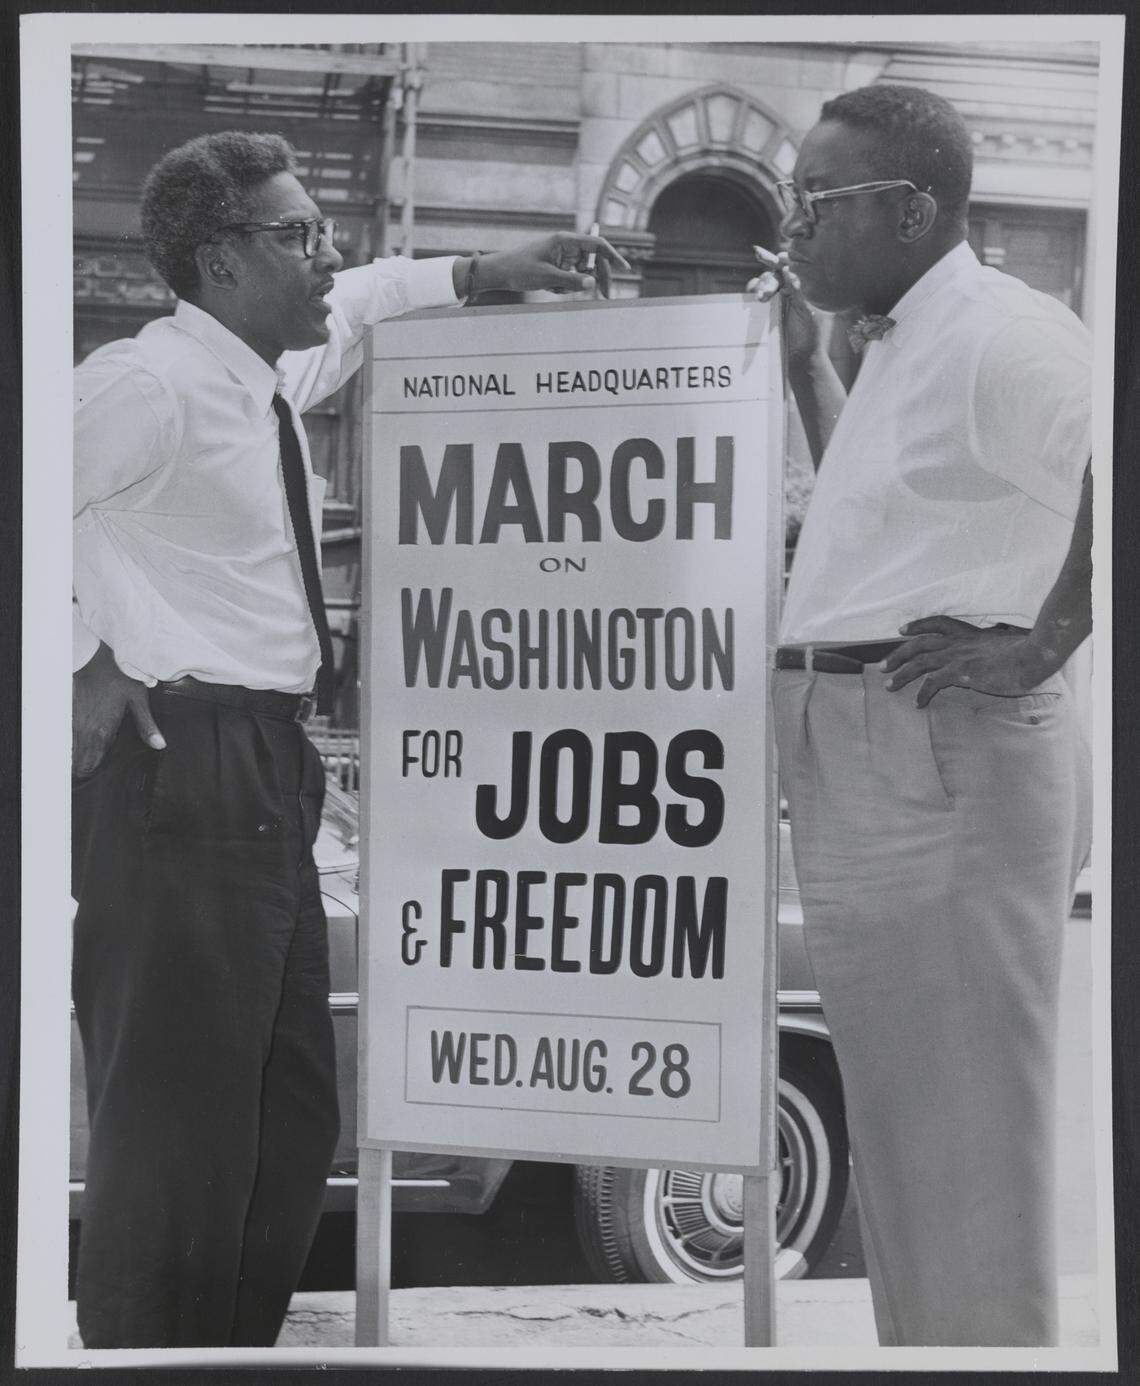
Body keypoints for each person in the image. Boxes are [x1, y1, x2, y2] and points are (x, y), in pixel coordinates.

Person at [71, 129, 626, 1349]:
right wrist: (82, 661)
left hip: (265, 769)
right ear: (220, 260)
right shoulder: (145, 385)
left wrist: (484, 271)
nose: (332, 256)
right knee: (177, 1138)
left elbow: (366, 299)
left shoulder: (261, 377)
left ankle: (225, 1351)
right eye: (299, 236)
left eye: (324, 232)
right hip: (180, 771)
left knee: (285, 1116)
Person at [761, 85, 1092, 1346]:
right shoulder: (899, 337)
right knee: (907, 1153)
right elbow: (903, 522)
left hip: (939, 767)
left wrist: (1047, 638)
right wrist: (804, 374)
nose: (794, 229)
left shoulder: (1008, 335)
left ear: (909, 210)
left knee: (967, 1164)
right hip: (877, 763)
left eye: (818, 204)